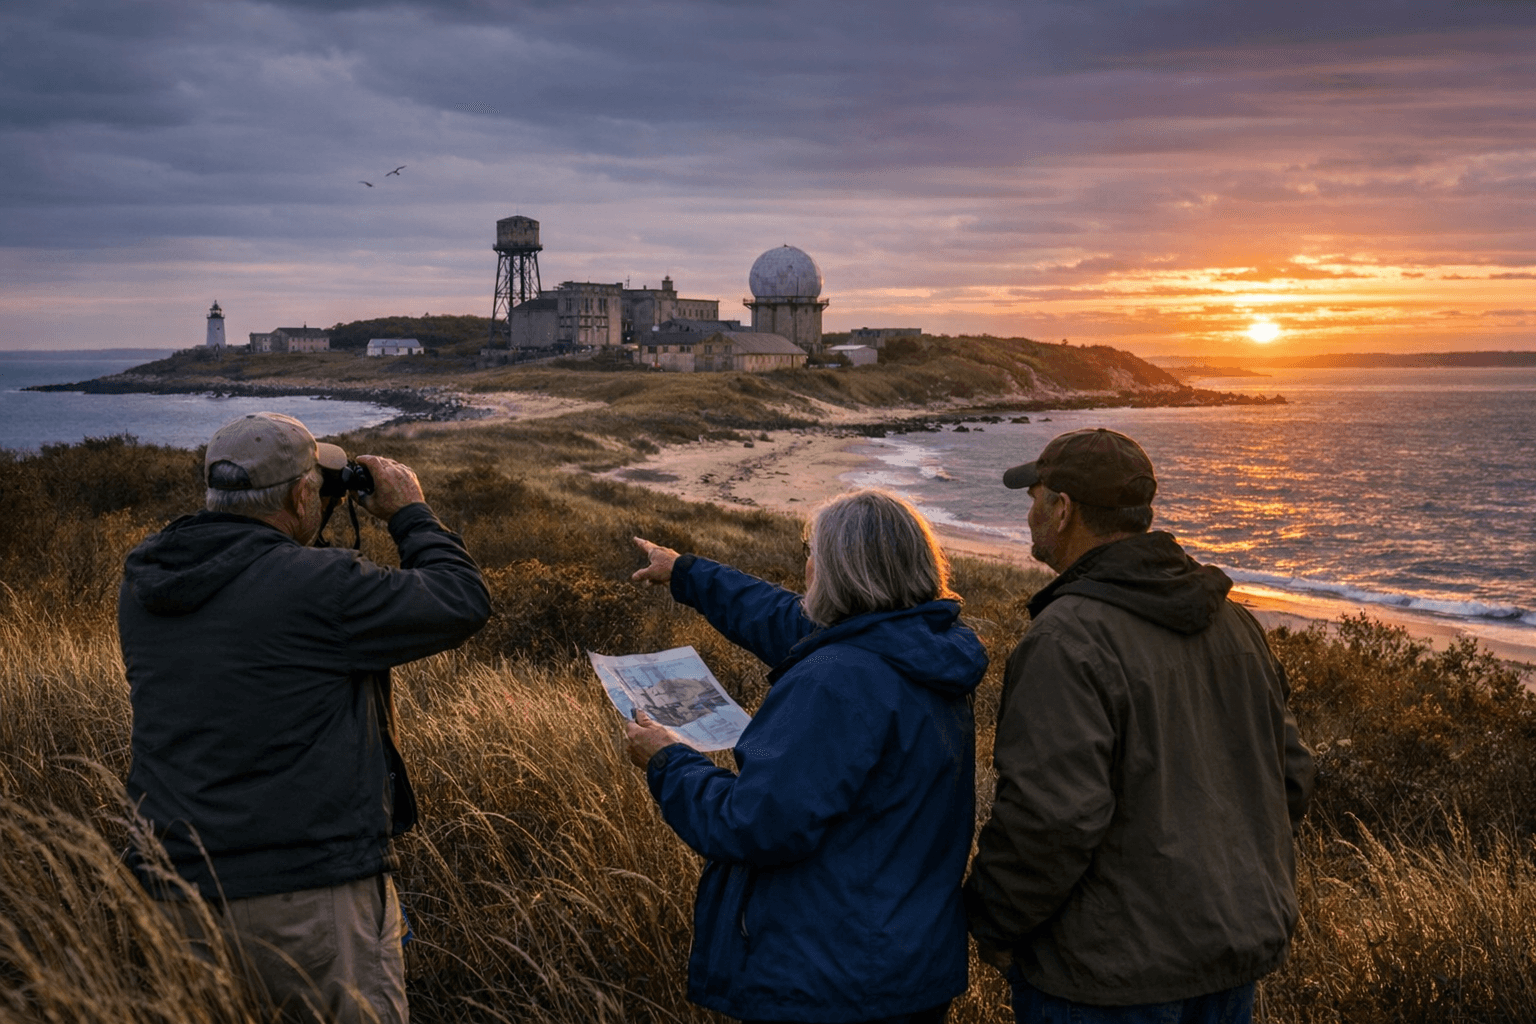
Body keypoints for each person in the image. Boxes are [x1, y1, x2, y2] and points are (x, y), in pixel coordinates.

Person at [120, 412, 490, 1024]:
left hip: (172, 893)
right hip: (306, 899)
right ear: (301, 494)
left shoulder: (145, 581)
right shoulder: (320, 587)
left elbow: (253, 591)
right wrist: (410, 513)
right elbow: (461, 598)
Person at [962, 427, 1315, 1024]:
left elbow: (1050, 820)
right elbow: (1293, 778)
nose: (1029, 514)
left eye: (1034, 498)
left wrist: (992, 922)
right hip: (1227, 958)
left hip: (1104, 980)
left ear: (1064, 509)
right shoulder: (1234, 623)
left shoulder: (1066, 637)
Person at [625, 489, 988, 1024]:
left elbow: (754, 824)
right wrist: (686, 573)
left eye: (812, 550)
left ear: (841, 569)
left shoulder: (835, 680)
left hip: (827, 979)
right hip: (907, 969)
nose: (807, 563)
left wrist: (668, 760)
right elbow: (781, 618)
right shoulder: (921, 647)